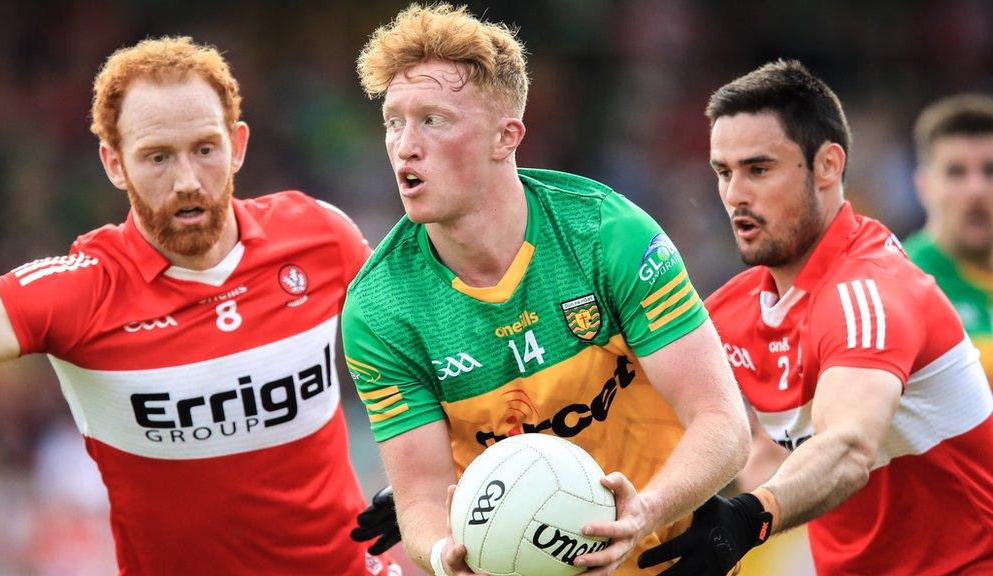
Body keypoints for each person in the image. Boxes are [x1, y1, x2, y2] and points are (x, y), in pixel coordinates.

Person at [341, 5, 751, 576]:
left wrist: (642, 515)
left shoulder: (606, 235)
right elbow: (420, 497)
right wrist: (442, 554)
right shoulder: (379, 308)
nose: (405, 145)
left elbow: (724, 425)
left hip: (665, 556)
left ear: (505, 137)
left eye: (433, 119)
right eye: (393, 121)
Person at [0, 36, 399, 576]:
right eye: (157, 157)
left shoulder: (320, 236)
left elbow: (427, 342)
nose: (187, 181)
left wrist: (427, 484)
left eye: (204, 148)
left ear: (237, 145)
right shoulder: (79, 291)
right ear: (114, 164)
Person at [640, 60, 993, 575]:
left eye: (759, 169)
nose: (736, 193)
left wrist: (749, 518)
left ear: (828, 165)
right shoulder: (734, 311)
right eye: (723, 172)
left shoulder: (871, 291)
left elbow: (847, 447)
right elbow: (762, 453)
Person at [903, 94, 993, 384]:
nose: (976, 189)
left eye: (990, 171)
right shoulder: (903, 283)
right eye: (956, 172)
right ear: (924, 186)